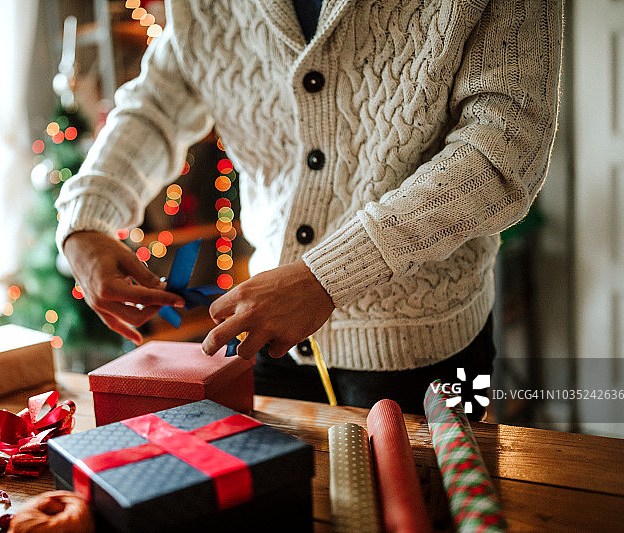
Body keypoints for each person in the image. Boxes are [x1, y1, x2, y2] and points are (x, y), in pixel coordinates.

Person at [55, 0, 563, 418]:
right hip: (271, 341)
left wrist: (328, 277)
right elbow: (156, 105)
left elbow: (505, 150)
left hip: (434, 346)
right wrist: (86, 217)